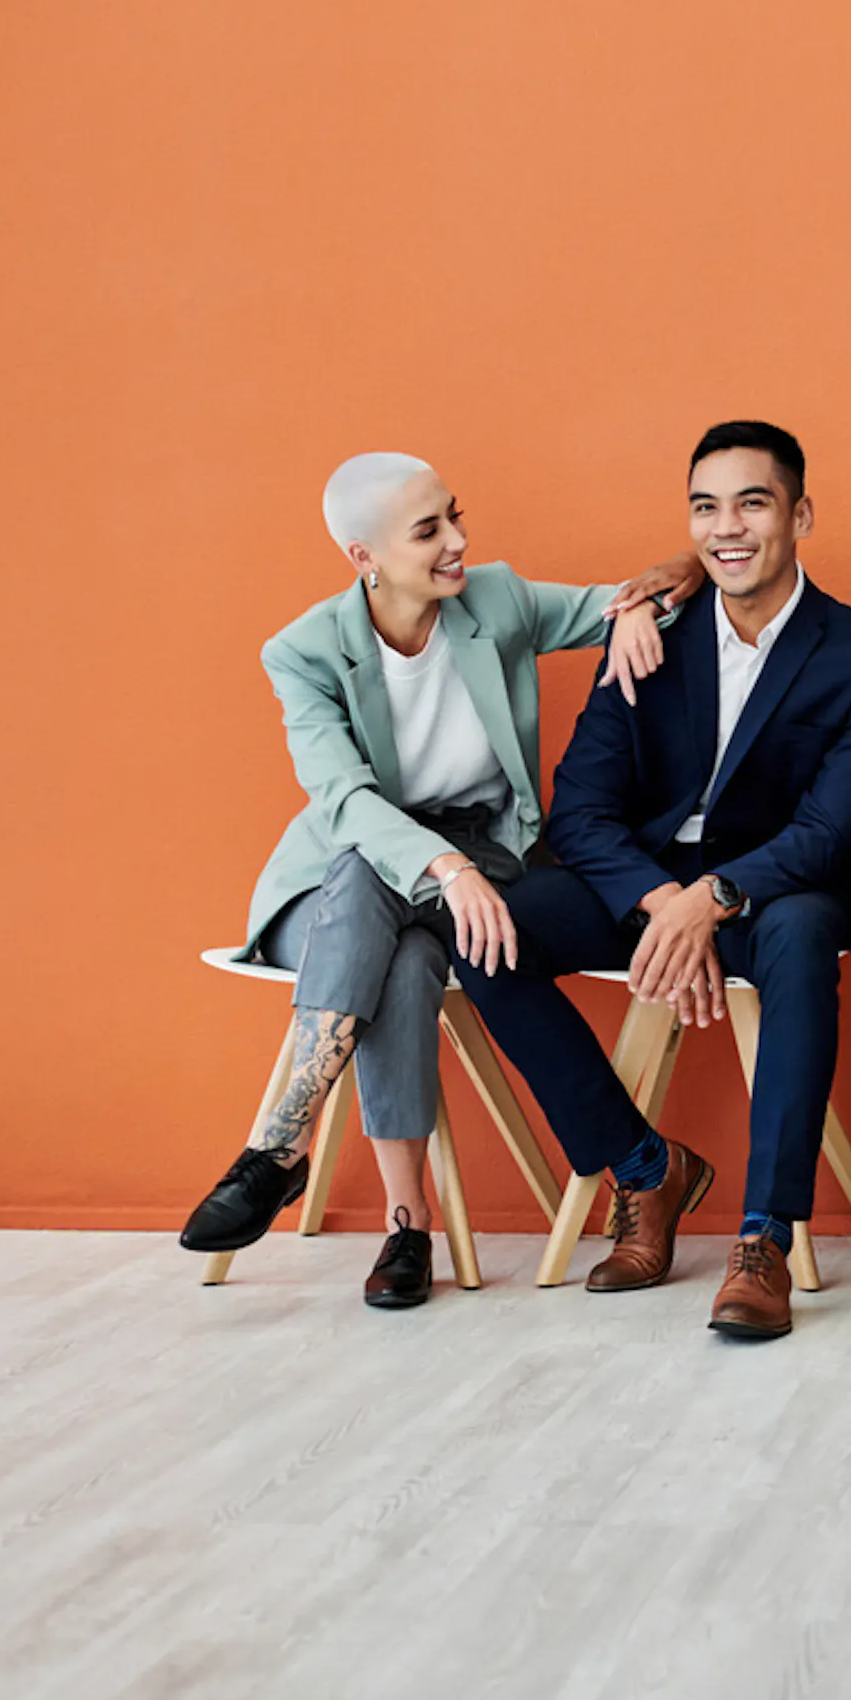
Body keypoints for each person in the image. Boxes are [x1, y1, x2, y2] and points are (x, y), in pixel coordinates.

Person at [180, 452, 693, 1308]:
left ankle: (293, 1164)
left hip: (482, 860)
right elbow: (343, 797)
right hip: (337, 887)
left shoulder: (496, 600)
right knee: (385, 918)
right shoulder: (303, 652)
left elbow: (652, 594)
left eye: (455, 515)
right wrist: (442, 868)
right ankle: (391, 1216)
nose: (458, 541)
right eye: (429, 531)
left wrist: (644, 599)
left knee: (403, 952)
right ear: (363, 557)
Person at [449, 421, 851, 1340]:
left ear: (801, 514)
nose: (726, 527)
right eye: (706, 506)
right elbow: (579, 806)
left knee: (801, 936)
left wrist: (716, 898)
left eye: (753, 501)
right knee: (487, 932)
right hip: (644, 883)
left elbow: (833, 827)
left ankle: (764, 1237)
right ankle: (645, 1166)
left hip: (777, 888)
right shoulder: (648, 637)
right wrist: (664, 901)